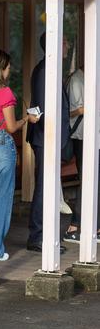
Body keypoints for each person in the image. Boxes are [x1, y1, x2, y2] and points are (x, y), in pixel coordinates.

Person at [0, 50, 38, 261]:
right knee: (1, 199)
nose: (10, 70)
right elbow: (12, 127)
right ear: (1, 68)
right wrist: (27, 119)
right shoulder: (5, 93)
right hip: (1, 145)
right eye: (8, 67)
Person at [26, 33, 70, 252]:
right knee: (45, 187)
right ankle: (38, 235)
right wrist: (52, 139)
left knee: (47, 187)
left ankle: (43, 234)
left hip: (47, 138)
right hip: (46, 138)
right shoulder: (45, 72)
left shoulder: (49, 69)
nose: (68, 45)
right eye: (64, 41)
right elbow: (44, 110)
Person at [62, 66, 100, 243]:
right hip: (83, 136)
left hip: (92, 136)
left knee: (94, 180)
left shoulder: (88, 78)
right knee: (88, 180)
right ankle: (75, 226)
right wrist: (87, 107)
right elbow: (70, 111)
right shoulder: (77, 80)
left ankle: (94, 226)